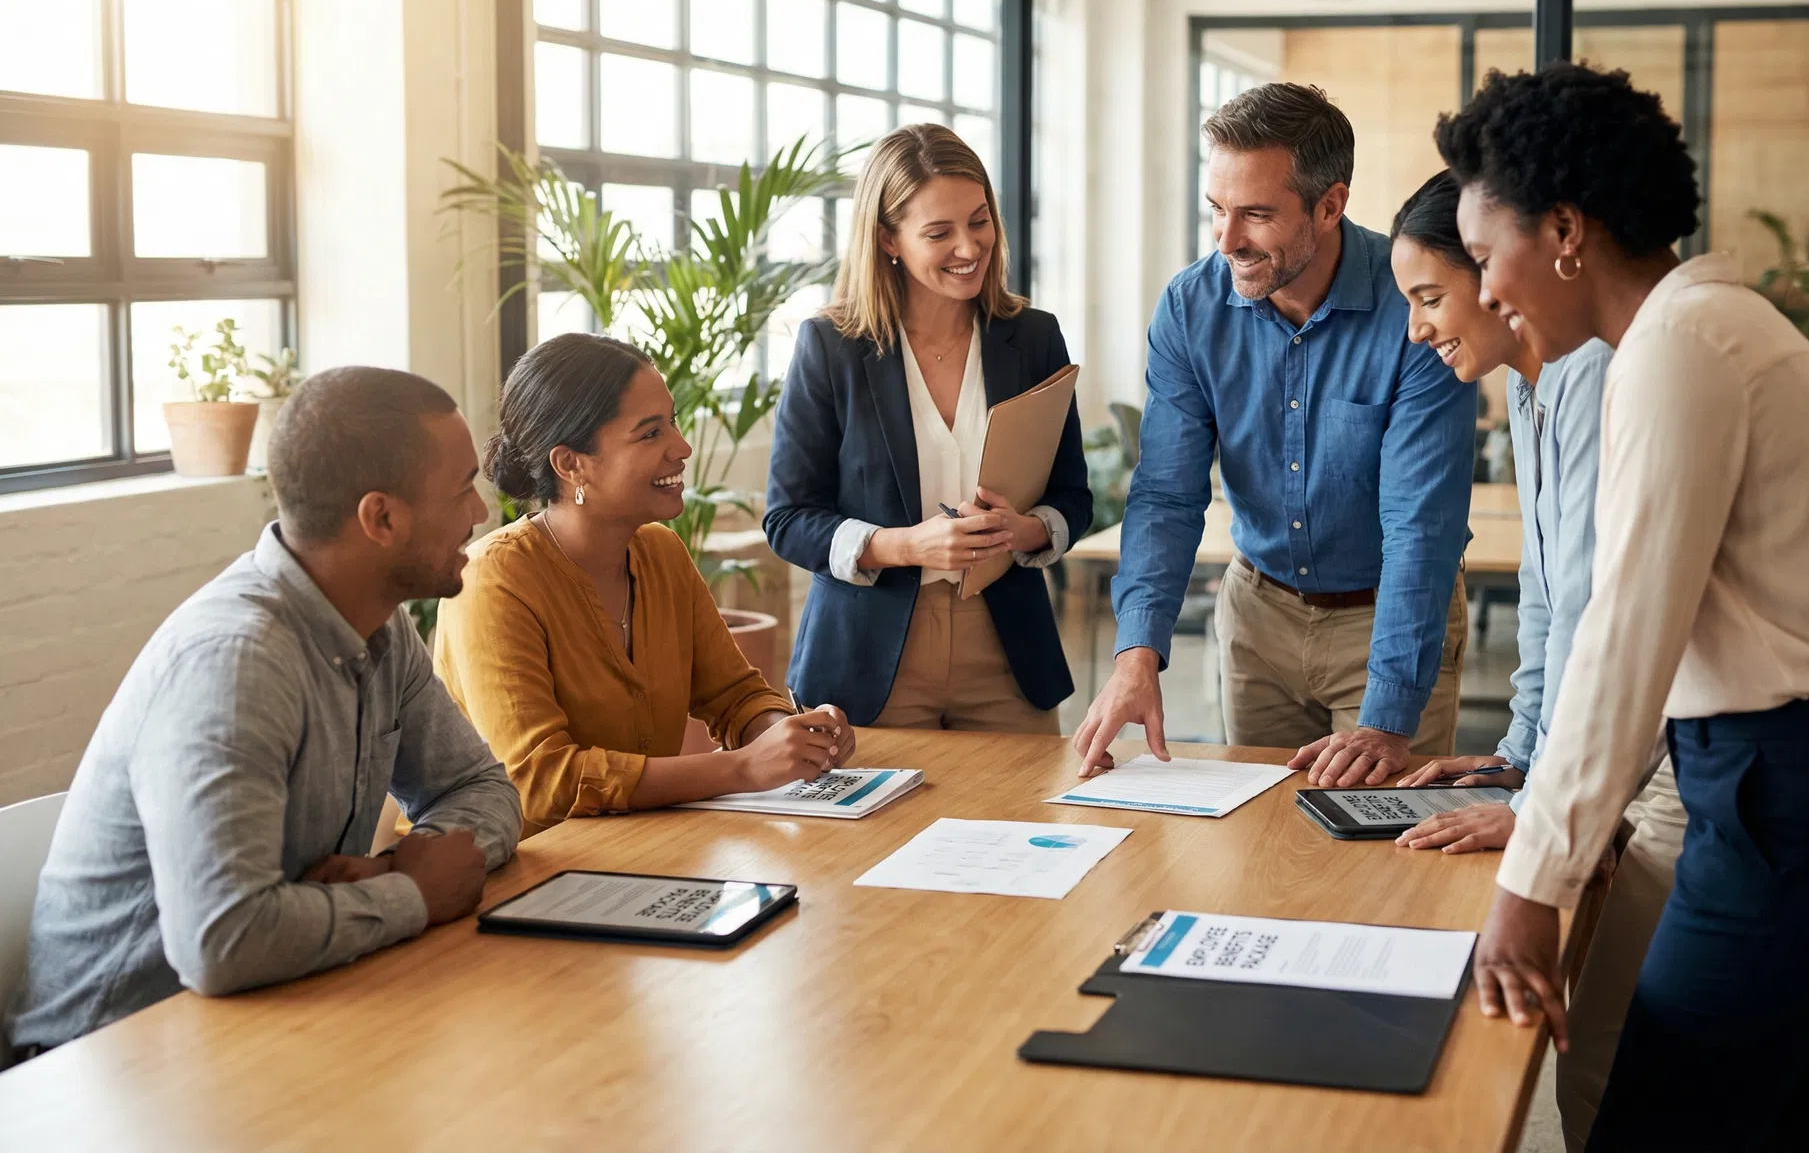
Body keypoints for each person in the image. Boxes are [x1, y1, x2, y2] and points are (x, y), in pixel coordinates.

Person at [1441, 63, 1809, 1152]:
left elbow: (1626, 635)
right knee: (1802, 1124)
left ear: (1565, 229)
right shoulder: (1721, 328)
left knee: (1658, 1121)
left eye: (1484, 258)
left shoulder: (1678, 349)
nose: (1490, 292)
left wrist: (1531, 886)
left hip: (1792, 800)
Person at [4, 368, 524, 1058]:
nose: (480, 513)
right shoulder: (235, 663)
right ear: (382, 519)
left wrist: (405, 865)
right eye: (462, 488)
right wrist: (412, 893)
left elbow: (481, 789)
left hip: (272, 1013)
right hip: (107, 1067)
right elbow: (223, 940)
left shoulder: (380, 624)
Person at [1384, 169, 1687, 1153]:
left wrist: (1539, 801)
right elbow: (1552, 600)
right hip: (1599, 759)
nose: (1420, 328)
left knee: (1609, 1057)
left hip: (1664, 757)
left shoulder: (1605, 373)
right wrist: (1515, 754)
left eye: (1432, 296)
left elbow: (1610, 620)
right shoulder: (1524, 385)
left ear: (1493, 268)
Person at [1073, 83, 1476, 784]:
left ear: (1331, 205)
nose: (1228, 241)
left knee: (1386, 861)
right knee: (1259, 848)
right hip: (1257, 616)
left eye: (1256, 215)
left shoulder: (1414, 303)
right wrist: (1135, 655)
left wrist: (1384, 718)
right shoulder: (1190, 307)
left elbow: (1421, 527)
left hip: (1389, 617)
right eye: (1217, 212)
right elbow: (1167, 495)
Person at [434, 334, 855, 838]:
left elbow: (734, 695)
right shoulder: (493, 581)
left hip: (636, 849)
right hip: (523, 872)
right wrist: (743, 768)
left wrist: (790, 736)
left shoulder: (660, 552)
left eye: (672, 421)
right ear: (570, 464)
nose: (682, 447)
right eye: (650, 434)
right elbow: (542, 782)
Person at [764, 124, 1091, 733]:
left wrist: (1027, 530)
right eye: (939, 232)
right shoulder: (830, 347)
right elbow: (787, 518)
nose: (970, 247)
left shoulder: (1034, 337)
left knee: (1019, 826)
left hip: (1006, 651)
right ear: (888, 238)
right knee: (878, 831)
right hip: (869, 657)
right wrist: (904, 546)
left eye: (979, 221)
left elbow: (1073, 494)